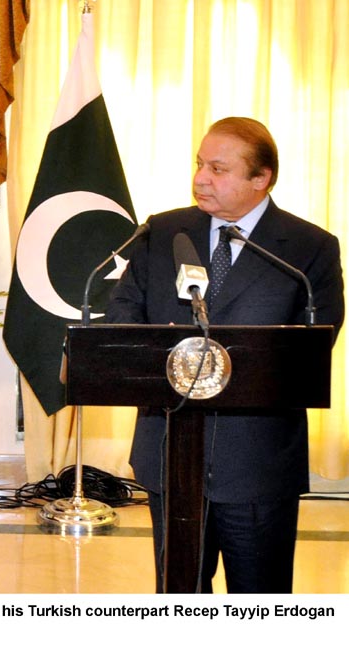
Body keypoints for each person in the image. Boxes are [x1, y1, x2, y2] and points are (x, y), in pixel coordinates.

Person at [106, 117, 344, 593]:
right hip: (170, 452)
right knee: (178, 594)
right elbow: (121, 323)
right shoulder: (162, 232)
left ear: (262, 179)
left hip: (255, 460)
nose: (200, 178)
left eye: (218, 168)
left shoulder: (307, 248)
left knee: (259, 597)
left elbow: (313, 345)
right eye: (199, 164)